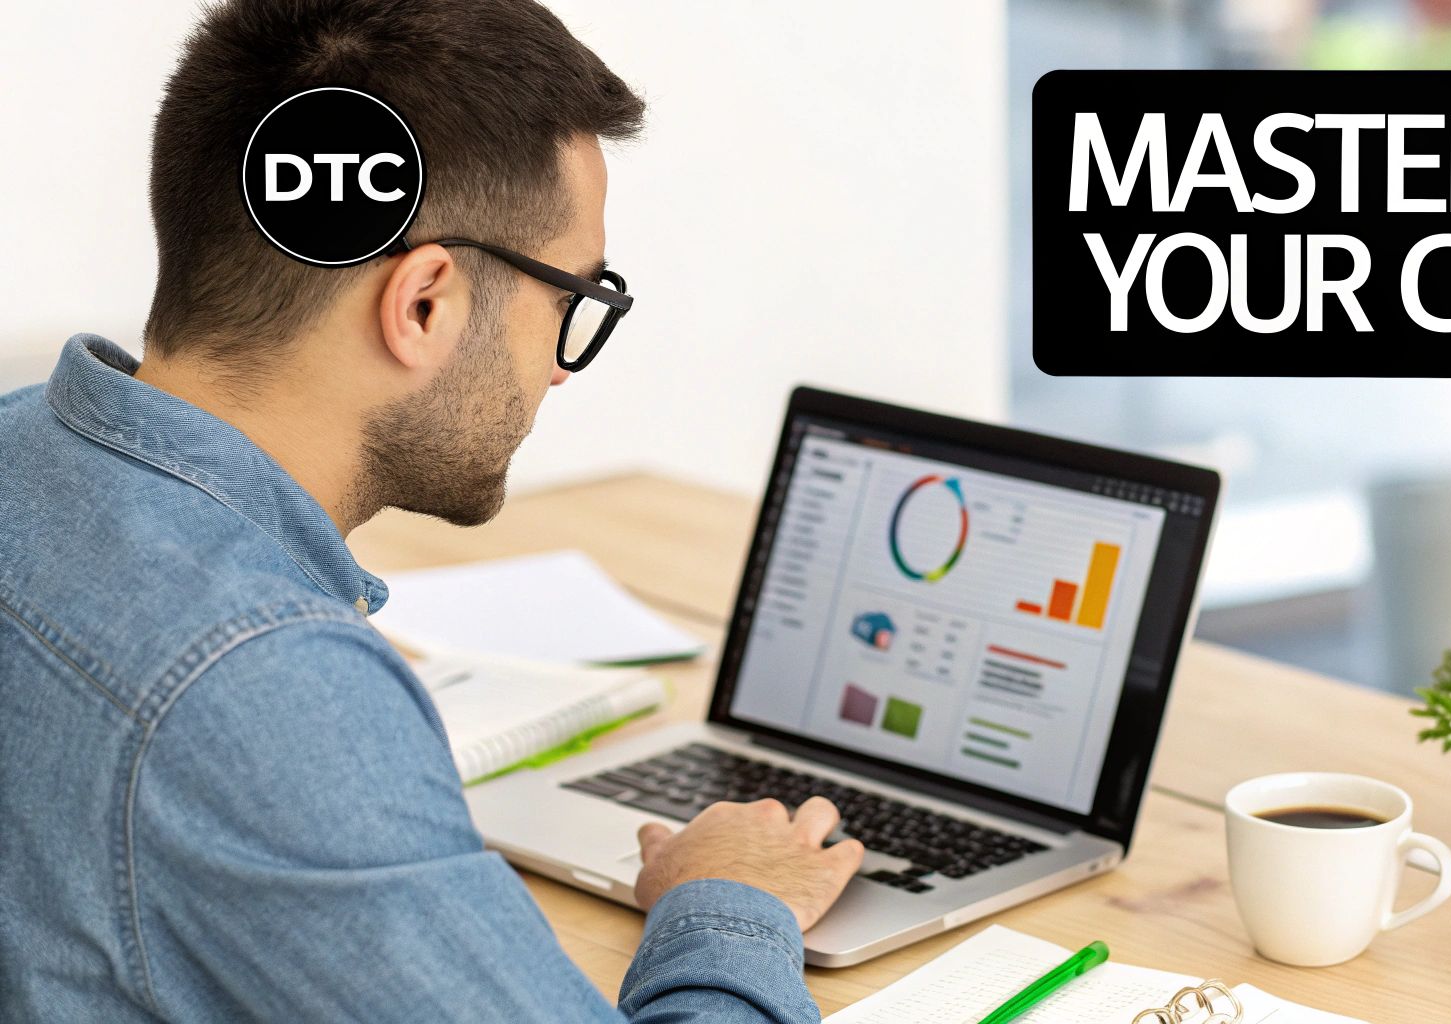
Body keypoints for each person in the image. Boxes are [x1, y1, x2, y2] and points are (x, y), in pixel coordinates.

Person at [0, 1, 865, 1020]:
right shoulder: (260, 683)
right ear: (423, 303)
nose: (558, 367)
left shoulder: (23, 446)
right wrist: (727, 899)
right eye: (571, 301)